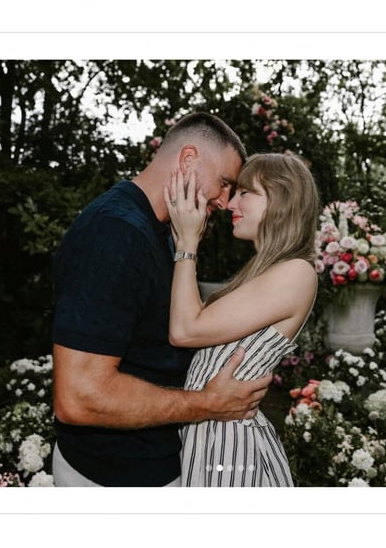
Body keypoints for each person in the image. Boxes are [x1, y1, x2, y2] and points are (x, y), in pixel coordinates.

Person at [51, 112, 273, 487]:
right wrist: (208, 403)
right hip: (113, 478)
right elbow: (79, 397)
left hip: (146, 465)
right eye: (223, 184)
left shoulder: (160, 230)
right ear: (187, 159)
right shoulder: (116, 231)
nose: (224, 201)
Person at [163, 152, 319, 486]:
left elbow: (185, 330)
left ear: (281, 198)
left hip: (230, 447)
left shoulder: (297, 272)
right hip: (210, 436)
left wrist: (187, 243)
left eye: (245, 192)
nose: (231, 203)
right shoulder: (265, 272)